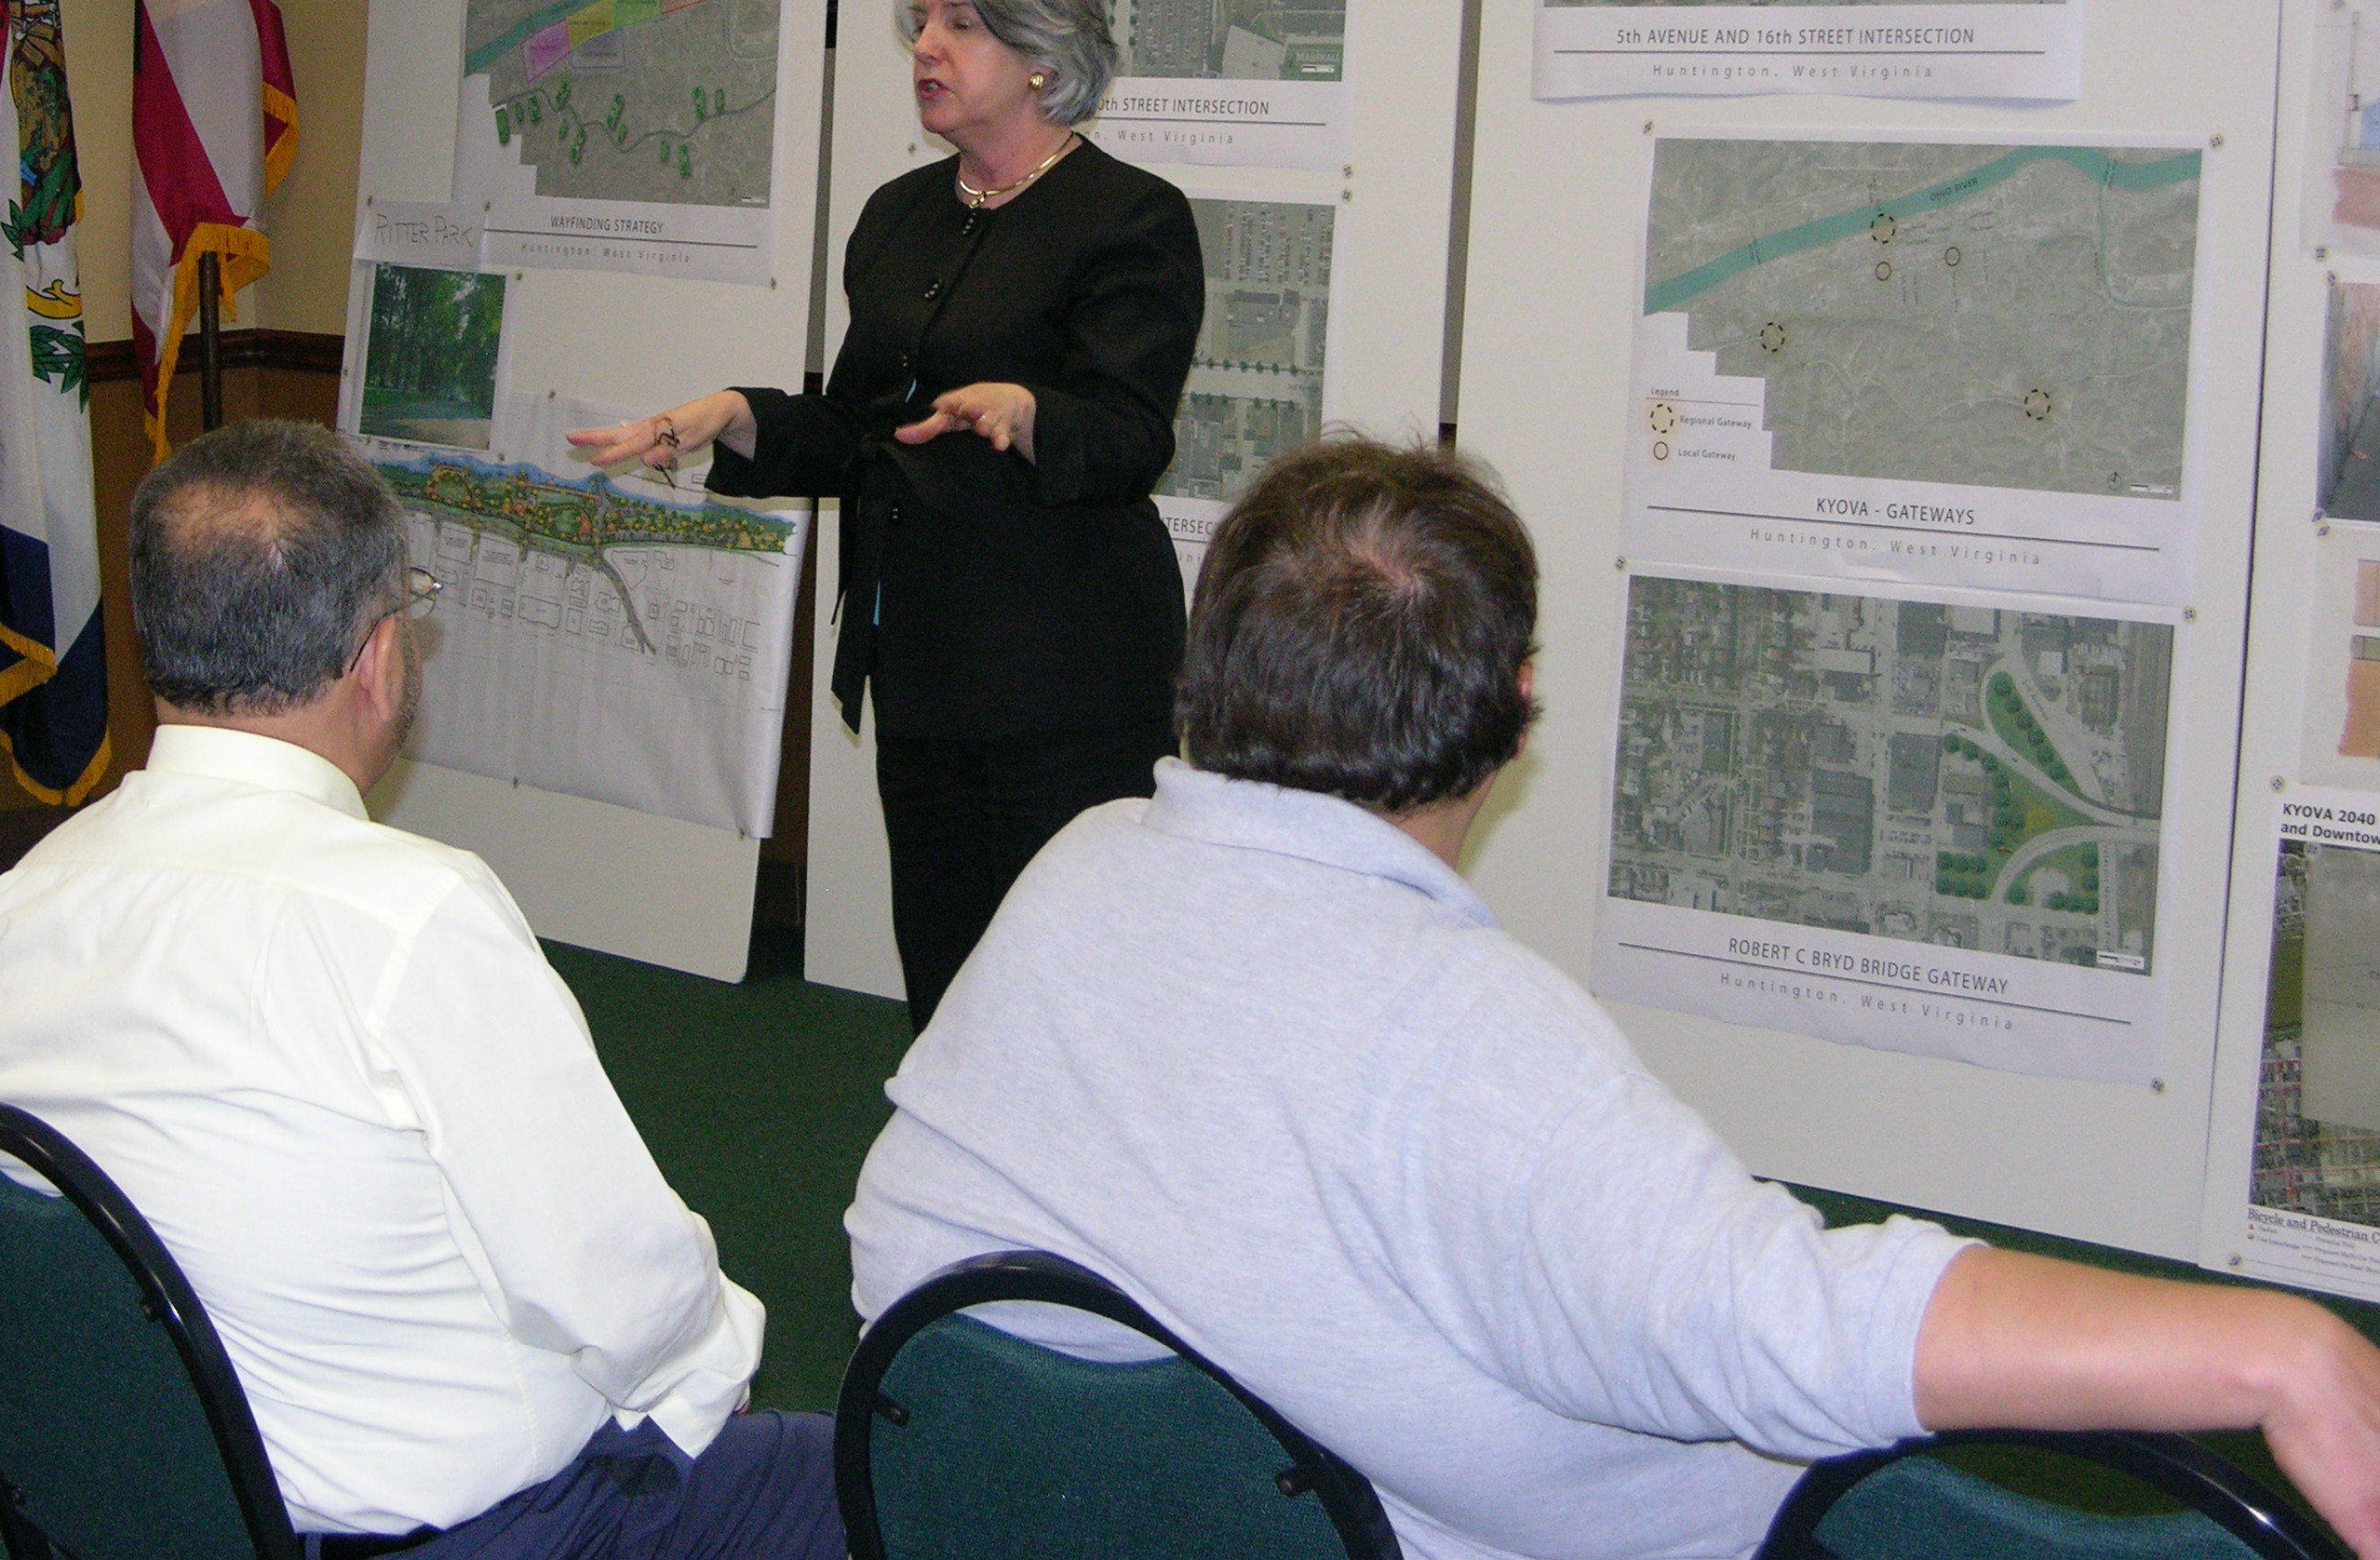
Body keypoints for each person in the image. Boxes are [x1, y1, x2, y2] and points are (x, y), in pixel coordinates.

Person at [846, 433, 2380, 1560]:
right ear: (1514, 714)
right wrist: (2279, 1352)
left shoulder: (1079, 873)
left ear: (1203, 675)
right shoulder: (1463, 1037)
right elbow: (1795, 1328)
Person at [0, 421, 840, 1560]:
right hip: (473, 1536)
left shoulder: (19, 902)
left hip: (148, 1507)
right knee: (880, 1478)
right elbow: (625, 1288)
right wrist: (717, 1374)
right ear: (377, 659)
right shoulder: (413, 918)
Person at [570, 0, 1202, 1028]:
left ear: (1043, 51)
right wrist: (733, 418)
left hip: (1064, 671)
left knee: (1073, 994)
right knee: (948, 976)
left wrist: (1029, 413)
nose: (927, 47)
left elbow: (1129, 436)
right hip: (923, 659)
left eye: (962, 23)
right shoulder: (899, 216)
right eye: (920, 23)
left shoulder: (1129, 217)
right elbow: (860, 433)